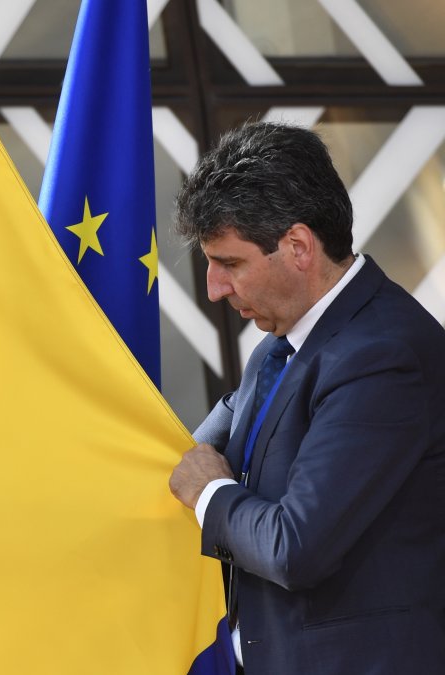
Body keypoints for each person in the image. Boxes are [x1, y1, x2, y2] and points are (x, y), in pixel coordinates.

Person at [167, 121, 445, 674]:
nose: (214, 288)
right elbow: (222, 430)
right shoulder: (283, 348)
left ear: (297, 245)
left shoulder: (380, 356)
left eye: (230, 263)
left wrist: (207, 494)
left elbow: (294, 548)